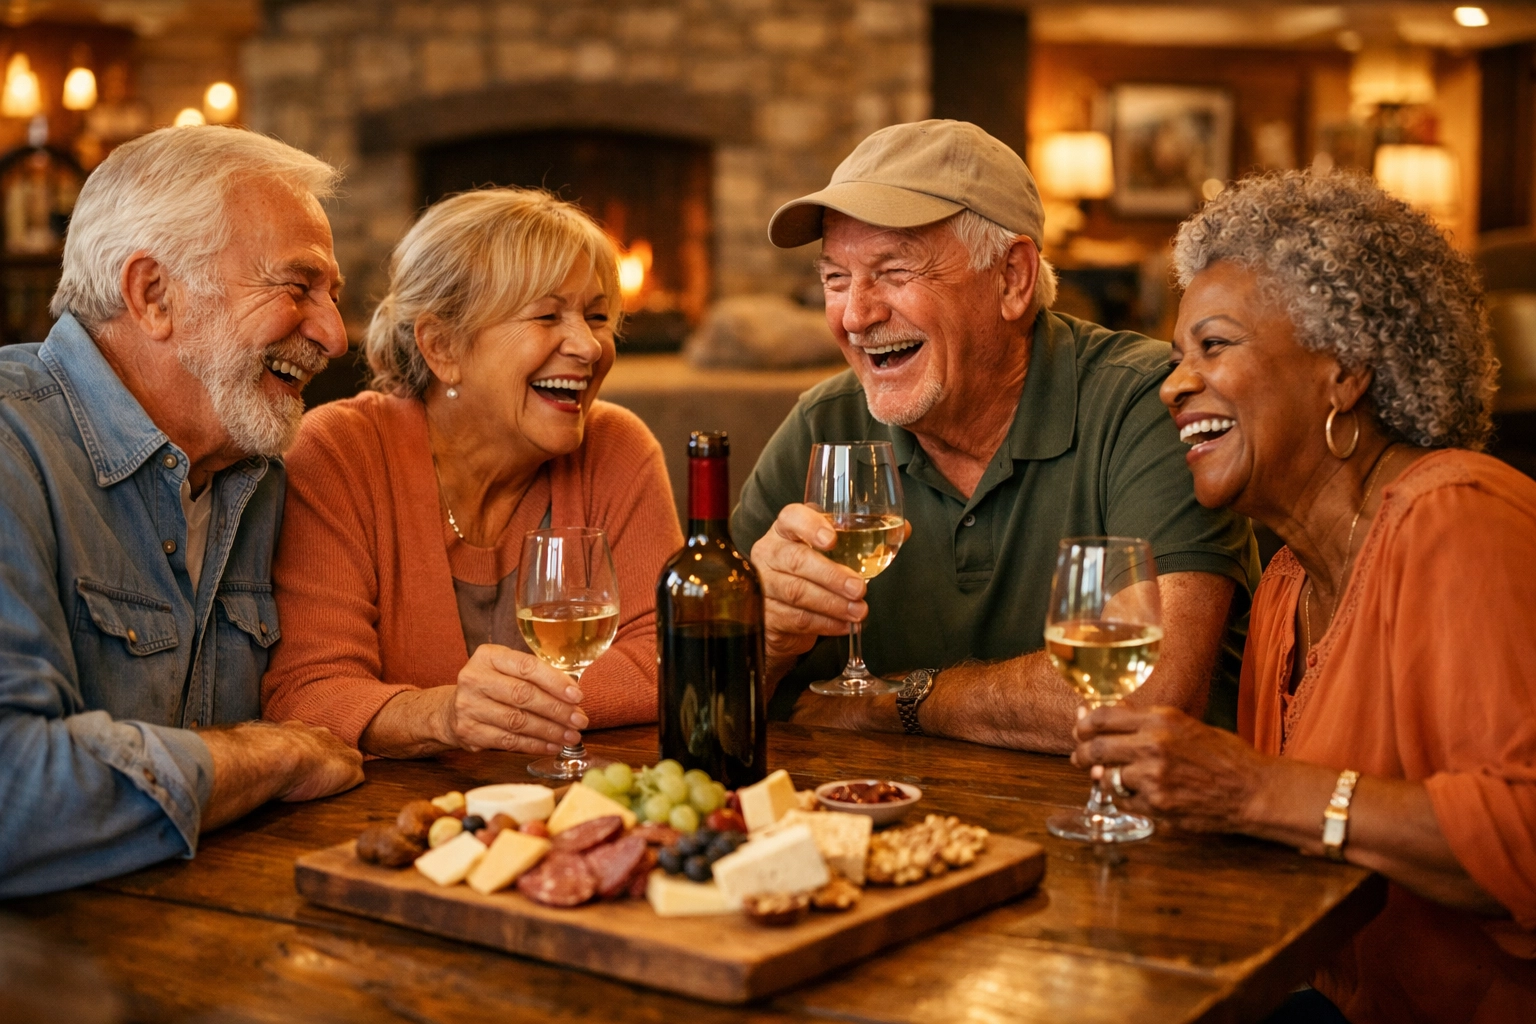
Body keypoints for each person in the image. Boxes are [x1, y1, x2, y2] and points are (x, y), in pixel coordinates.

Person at [1073, 172, 1536, 1022]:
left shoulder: (1455, 514)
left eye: (1213, 346)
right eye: (1178, 355)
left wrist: (1252, 790)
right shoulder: (1288, 577)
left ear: (1345, 371)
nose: (1174, 386)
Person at [733, 120, 1257, 750]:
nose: (855, 315)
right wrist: (762, 643)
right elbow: (691, 704)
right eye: (835, 279)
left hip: (1129, 835)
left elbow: (1147, 695)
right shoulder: (824, 427)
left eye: (894, 272)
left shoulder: (1148, 404)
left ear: (1012, 277)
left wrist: (897, 702)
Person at [0, 126, 365, 897]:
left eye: (333, 296)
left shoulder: (256, 471)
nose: (334, 334)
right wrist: (270, 754)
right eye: (296, 287)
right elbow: (13, 792)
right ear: (153, 295)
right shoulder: (12, 446)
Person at [261, 188, 681, 757]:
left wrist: (507, 710)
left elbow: (671, 657)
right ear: (442, 347)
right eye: (547, 315)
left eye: (598, 316)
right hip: (389, 822)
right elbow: (309, 694)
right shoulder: (342, 454)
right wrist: (446, 714)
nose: (587, 346)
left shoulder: (617, 449)